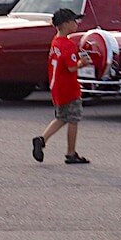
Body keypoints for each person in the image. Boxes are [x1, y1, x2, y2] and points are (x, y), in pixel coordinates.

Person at [31, 8, 92, 164]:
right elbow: (71, 67)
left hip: (57, 86)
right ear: (65, 24)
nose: (76, 23)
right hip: (69, 87)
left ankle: (41, 139)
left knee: (61, 117)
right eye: (74, 21)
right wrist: (83, 63)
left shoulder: (56, 42)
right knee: (73, 119)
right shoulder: (68, 44)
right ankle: (71, 153)